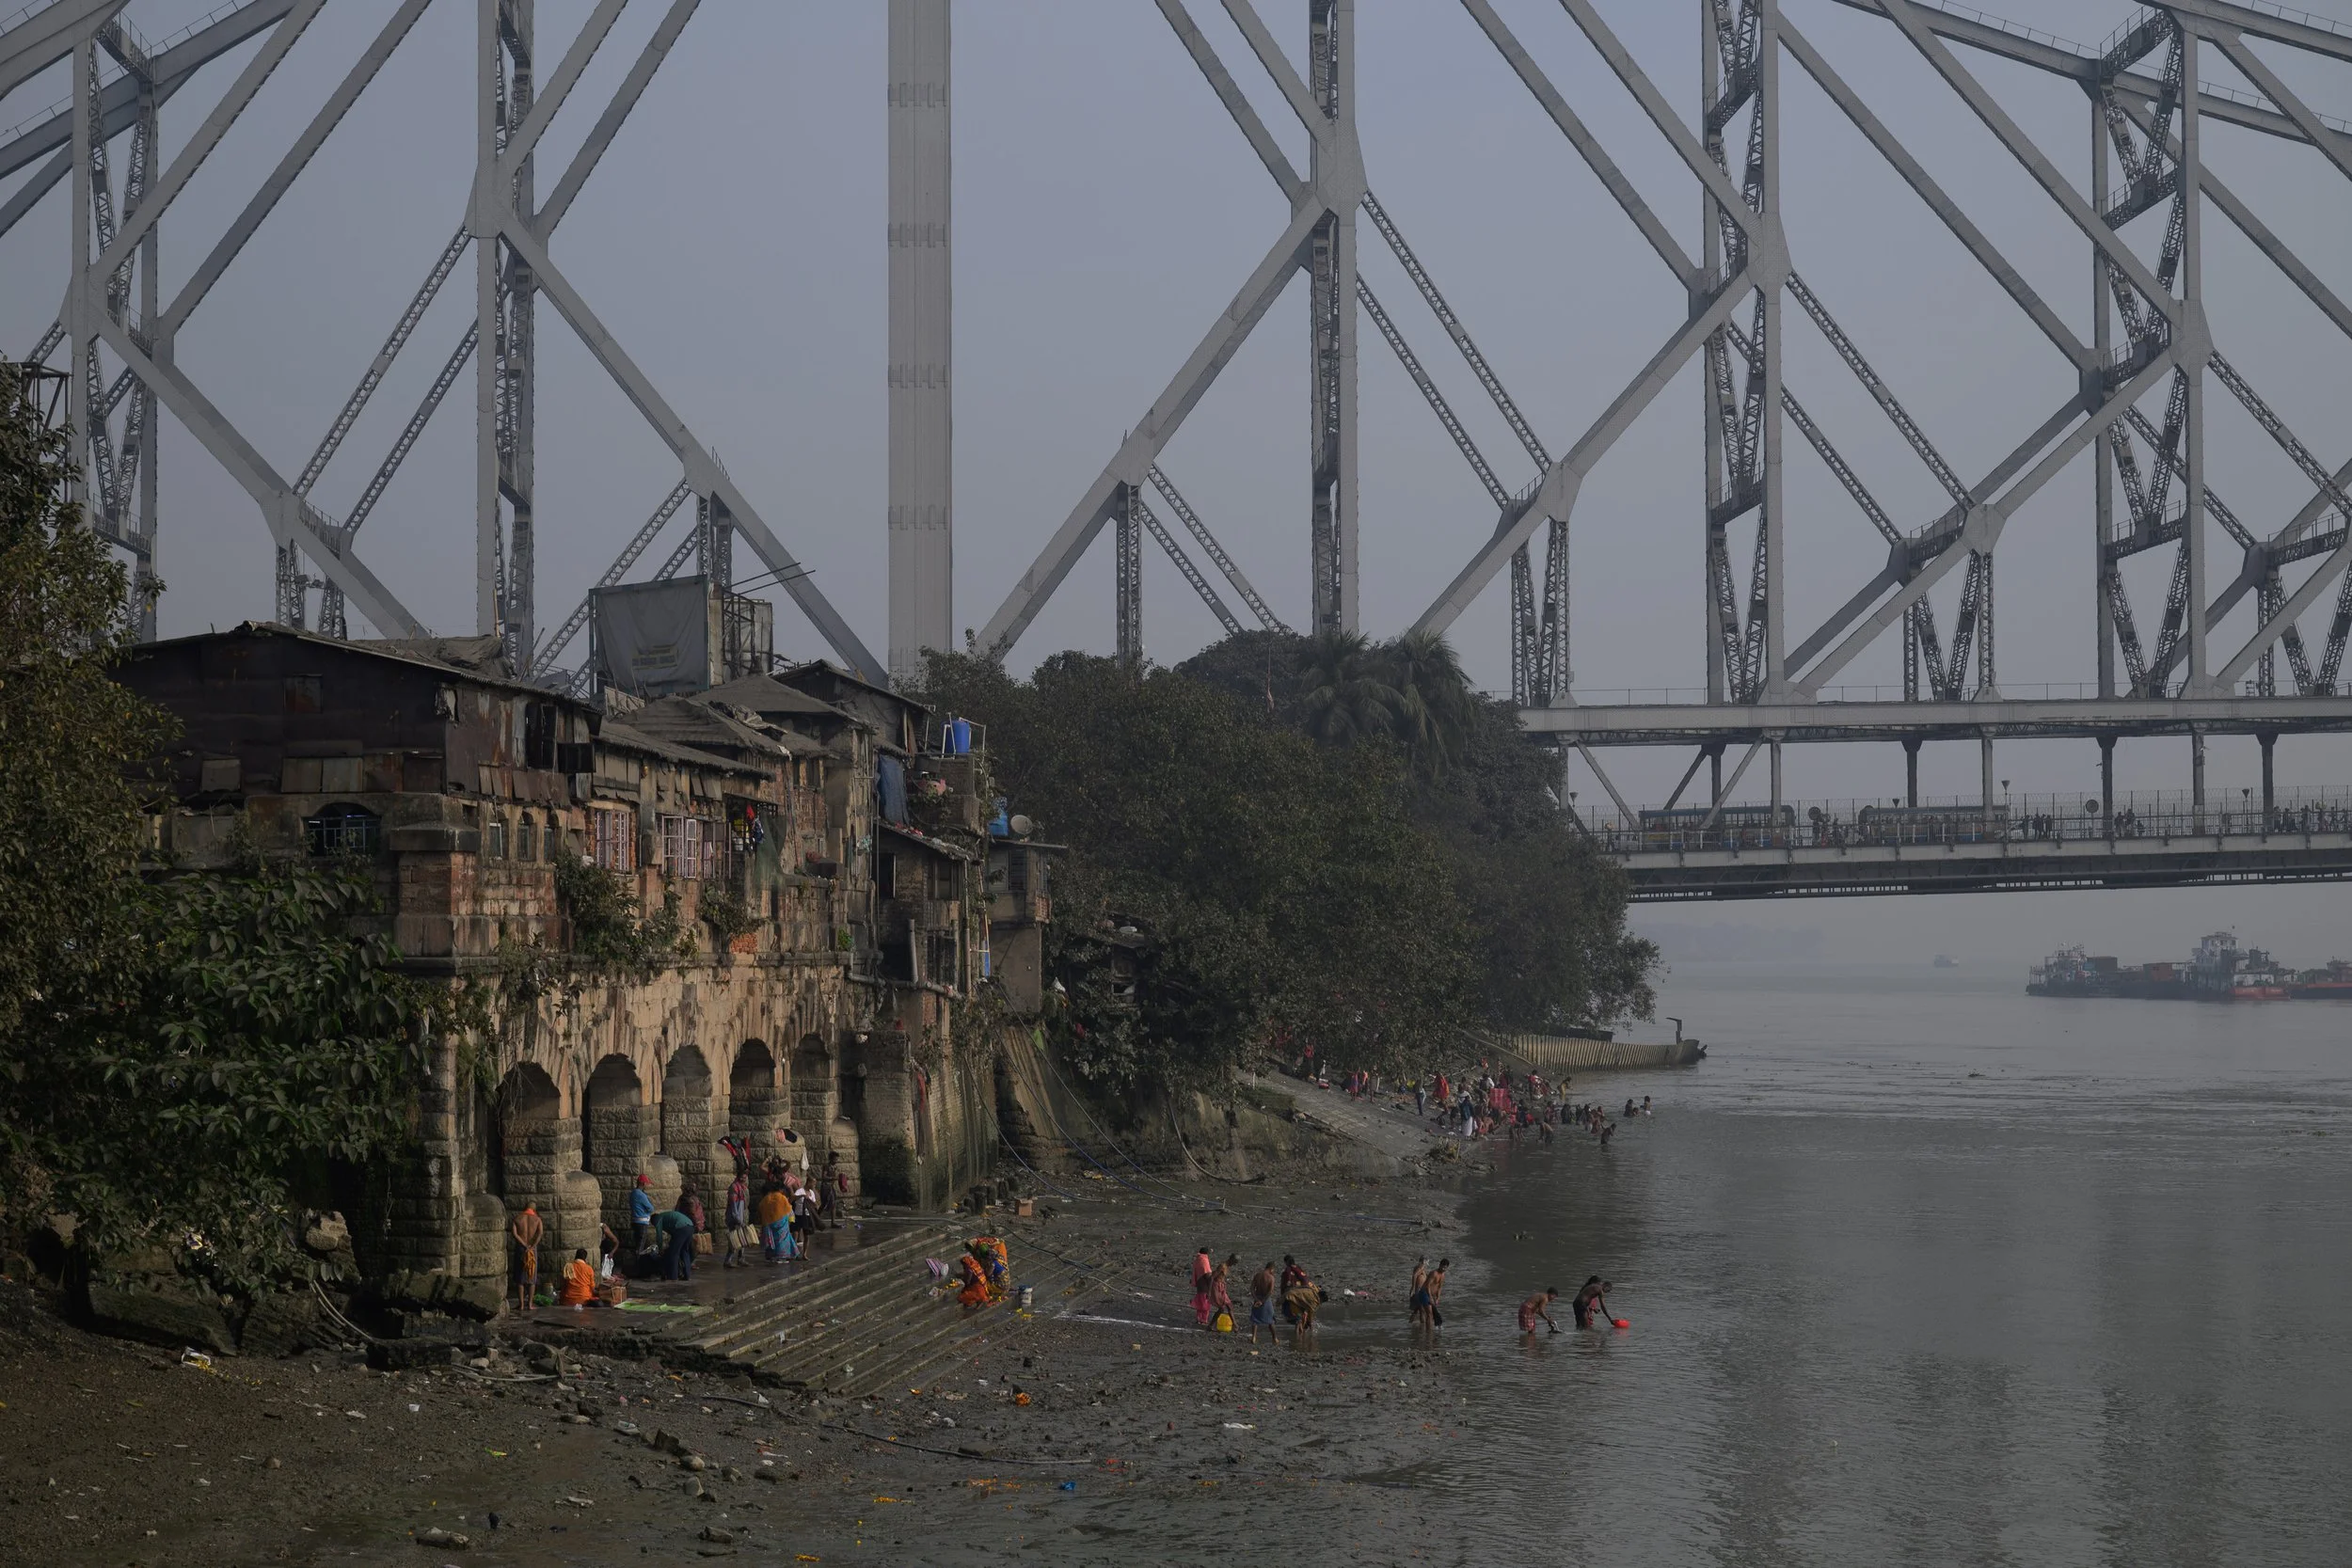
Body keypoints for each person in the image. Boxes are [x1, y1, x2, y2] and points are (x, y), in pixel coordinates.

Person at [508, 1203, 544, 1312]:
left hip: (521, 1249)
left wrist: (524, 1245)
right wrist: (532, 1246)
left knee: (520, 1278)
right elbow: (540, 1234)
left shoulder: (518, 1218)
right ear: (534, 1209)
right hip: (532, 1250)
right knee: (531, 1277)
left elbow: (514, 1234)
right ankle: (530, 1304)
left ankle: (522, 1304)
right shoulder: (537, 1219)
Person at [755, 1178, 793, 1262]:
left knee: (771, 1239)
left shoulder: (767, 1197)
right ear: (781, 1189)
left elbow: (761, 1208)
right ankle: (781, 1256)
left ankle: (771, 1255)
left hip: (769, 1222)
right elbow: (788, 1209)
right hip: (781, 1221)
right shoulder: (782, 1197)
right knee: (782, 1239)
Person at [656, 1206, 697, 1281]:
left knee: (673, 1253)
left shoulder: (657, 1219)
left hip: (681, 1228)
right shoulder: (666, 1216)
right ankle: (687, 1276)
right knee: (685, 1251)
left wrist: (660, 1248)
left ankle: (673, 1277)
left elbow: (659, 1236)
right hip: (690, 1226)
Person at [723, 1170, 751, 1268]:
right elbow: (734, 1205)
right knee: (734, 1240)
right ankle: (728, 1260)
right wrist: (737, 1219)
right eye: (742, 1177)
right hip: (734, 1218)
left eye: (745, 1177)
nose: (744, 1179)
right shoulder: (734, 1188)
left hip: (741, 1217)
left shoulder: (742, 1188)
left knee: (742, 1239)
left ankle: (740, 1259)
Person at [1248, 1260, 1279, 1344]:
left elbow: (1252, 1288)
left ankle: (1253, 1337)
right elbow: (1270, 1292)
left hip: (1257, 1298)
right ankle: (1274, 1338)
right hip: (1266, 1300)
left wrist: (1256, 1299)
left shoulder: (1257, 1275)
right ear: (1271, 1269)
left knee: (1255, 1319)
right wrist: (1262, 1301)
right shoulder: (1271, 1278)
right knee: (1271, 1320)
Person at [1192, 1244, 1217, 1329]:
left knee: (1200, 1302)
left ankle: (1199, 1318)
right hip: (1205, 1285)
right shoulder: (1204, 1260)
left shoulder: (1197, 1260)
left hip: (1199, 1284)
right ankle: (1203, 1320)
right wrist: (1210, 1289)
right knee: (1205, 1304)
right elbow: (1208, 1274)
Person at [629, 1174, 656, 1255]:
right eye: (646, 1183)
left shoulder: (633, 1193)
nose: (647, 1185)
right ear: (643, 1183)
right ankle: (638, 1265)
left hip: (635, 1222)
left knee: (637, 1244)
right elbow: (651, 1208)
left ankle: (636, 1263)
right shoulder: (641, 1195)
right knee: (640, 1247)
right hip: (642, 1223)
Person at [1212, 1254, 1237, 1329]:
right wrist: (1209, 1291)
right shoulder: (1222, 1266)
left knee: (1228, 1306)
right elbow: (1212, 1277)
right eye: (1235, 1262)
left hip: (1221, 1287)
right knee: (1223, 1308)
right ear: (1231, 1259)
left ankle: (1235, 1324)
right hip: (1216, 1287)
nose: (1235, 1264)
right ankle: (1235, 1325)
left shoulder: (1227, 1267)